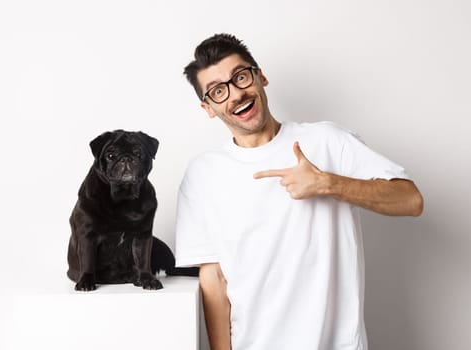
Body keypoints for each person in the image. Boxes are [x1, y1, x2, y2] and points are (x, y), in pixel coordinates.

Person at [173, 33, 423, 350]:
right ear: (208, 108)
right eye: (219, 91)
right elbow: (214, 280)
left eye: (240, 77)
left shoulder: (326, 140)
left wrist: (328, 183)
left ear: (260, 76)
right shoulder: (202, 174)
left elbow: (411, 200)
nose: (236, 94)